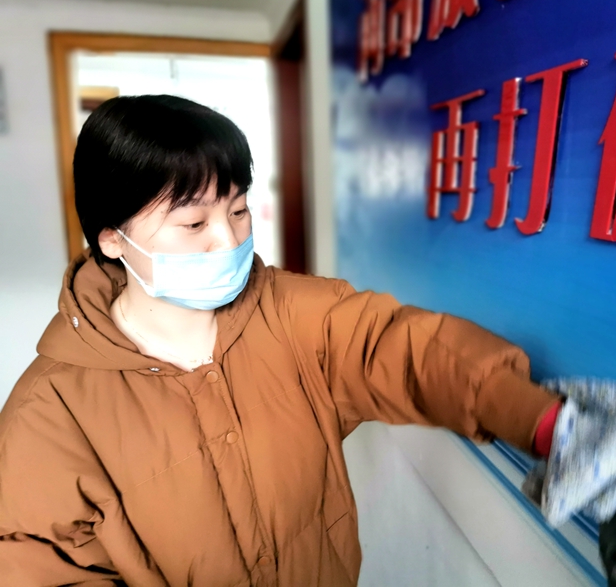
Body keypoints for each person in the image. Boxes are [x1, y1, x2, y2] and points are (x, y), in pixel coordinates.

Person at [0, 95, 563, 586]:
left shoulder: (291, 312)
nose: (228, 240)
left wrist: (544, 422)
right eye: (194, 224)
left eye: (238, 210)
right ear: (113, 239)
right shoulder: (50, 411)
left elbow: (401, 348)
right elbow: (41, 566)